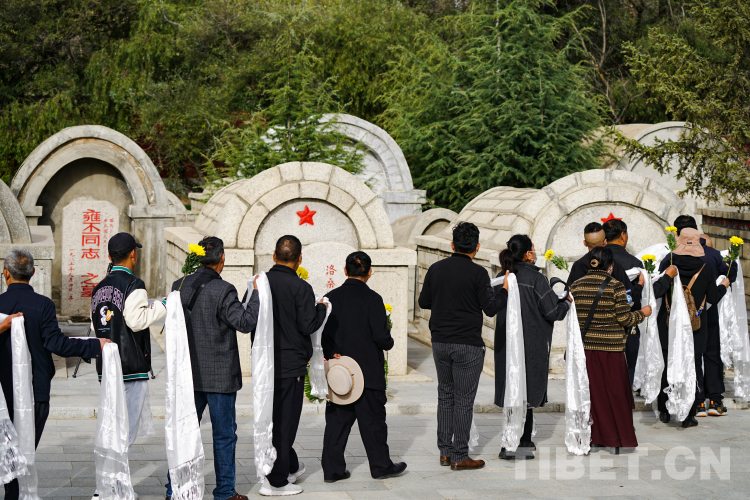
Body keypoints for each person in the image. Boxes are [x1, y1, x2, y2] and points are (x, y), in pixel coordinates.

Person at [0, 249, 107, 500]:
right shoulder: (43, 305)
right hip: (36, 391)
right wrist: (95, 345)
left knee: (9, 451)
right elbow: (57, 344)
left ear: (5, 274)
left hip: (3, 393)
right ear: (33, 273)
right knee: (24, 451)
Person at [165, 237, 260, 500]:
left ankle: (174, 489)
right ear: (222, 258)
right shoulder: (224, 289)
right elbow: (244, 322)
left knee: (184, 434)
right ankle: (225, 492)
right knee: (224, 436)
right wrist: (256, 294)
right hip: (220, 376)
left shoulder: (179, 285)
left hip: (188, 374)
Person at [418, 222, 507, 470]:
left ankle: (445, 452)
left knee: (445, 395)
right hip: (467, 344)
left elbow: (424, 302)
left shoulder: (436, 269)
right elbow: (491, 308)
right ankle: (460, 455)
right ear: (477, 247)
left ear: (452, 245)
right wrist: (504, 290)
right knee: (464, 400)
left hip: (440, 342)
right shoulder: (478, 273)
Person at [90, 232, 166, 499]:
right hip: (130, 366)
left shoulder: (99, 287)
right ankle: (113, 488)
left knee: (112, 428)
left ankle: (105, 486)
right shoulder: (134, 284)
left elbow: (95, 327)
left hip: (107, 366)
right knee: (126, 431)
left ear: (110, 256)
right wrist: (163, 305)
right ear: (133, 254)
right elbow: (136, 321)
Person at [321, 251, 407, 482]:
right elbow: (381, 338)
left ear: (345, 270)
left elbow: (321, 334)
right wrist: (389, 341)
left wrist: (331, 352)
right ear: (369, 272)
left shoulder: (330, 298)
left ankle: (332, 470)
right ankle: (380, 466)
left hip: (340, 371)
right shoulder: (373, 299)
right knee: (373, 423)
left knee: (337, 423)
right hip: (368, 371)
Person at [260, 235, 327, 496]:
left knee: (272, 419)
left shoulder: (259, 282)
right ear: (299, 259)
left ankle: (289, 466)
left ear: (274, 255)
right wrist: (321, 308)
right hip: (290, 365)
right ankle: (276, 481)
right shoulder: (301, 287)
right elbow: (308, 325)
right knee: (285, 422)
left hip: (265, 362)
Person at [495, 234, 571, 460]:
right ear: (528, 254)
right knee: (526, 391)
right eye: (534, 249)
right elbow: (552, 312)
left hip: (506, 345)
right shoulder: (536, 279)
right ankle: (514, 445)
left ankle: (523, 440)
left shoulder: (502, 276)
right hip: (531, 344)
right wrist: (566, 302)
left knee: (513, 390)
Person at [570, 246, 652, 452]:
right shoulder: (616, 286)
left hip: (587, 349)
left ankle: (595, 437)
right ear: (610, 265)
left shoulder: (576, 286)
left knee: (594, 395)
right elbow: (625, 319)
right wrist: (643, 313)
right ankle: (616, 439)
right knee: (616, 395)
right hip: (612, 349)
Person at [653, 227, 730, 427]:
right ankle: (689, 415)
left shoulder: (670, 264)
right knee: (693, 367)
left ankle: (664, 410)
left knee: (668, 364)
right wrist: (723, 286)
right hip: (695, 326)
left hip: (668, 324)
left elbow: (656, 291)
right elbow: (712, 298)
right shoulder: (706, 268)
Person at [672, 216, 736, 417]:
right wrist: (725, 281)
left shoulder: (672, 257)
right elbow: (730, 272)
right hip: (707, 312)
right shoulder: (712, 255)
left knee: (691, 356)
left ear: (677, 233)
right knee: (711, 354)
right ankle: (715, 400)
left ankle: (698, 400)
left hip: (682, 316)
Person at [602, 219, 644, 385]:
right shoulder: (634, 263)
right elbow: (636, 300)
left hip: (600, 325)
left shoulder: (596, 259)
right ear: (623, 235)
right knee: (627, 369)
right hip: (627, 324)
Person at [567, 222, 635, 293]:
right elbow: (628, 294)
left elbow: (568, 294)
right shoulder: (614, 265)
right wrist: (639, 285)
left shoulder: (578, 266)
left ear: (585, 243)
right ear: (605, 242)